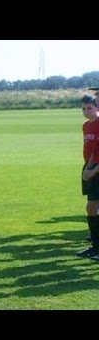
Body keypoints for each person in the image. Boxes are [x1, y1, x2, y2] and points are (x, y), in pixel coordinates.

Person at [76, 94, 99, 261]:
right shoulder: (86, 126)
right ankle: (95, 245)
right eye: (83, 108)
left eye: (89, 108)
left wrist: (94, 170)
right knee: (92, 207)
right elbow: (93, 151)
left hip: (96, 169)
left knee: (92, 207)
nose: (86, 111)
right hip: (91, 167)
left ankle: (96, 247)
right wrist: (88, 167)